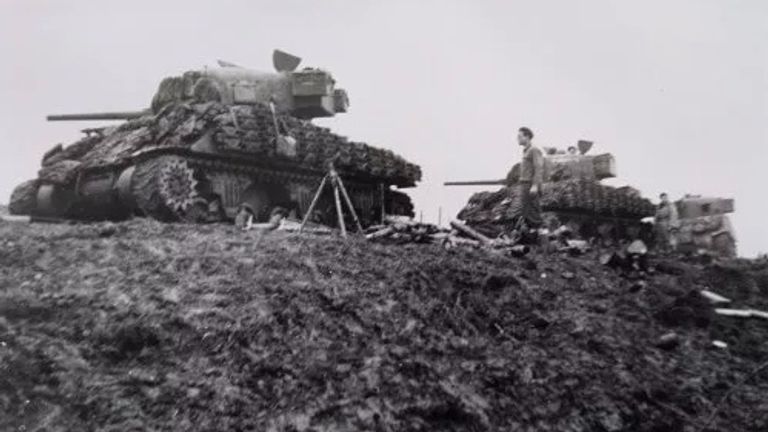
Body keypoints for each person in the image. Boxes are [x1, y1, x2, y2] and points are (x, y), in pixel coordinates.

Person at [517, 126, 544, 230]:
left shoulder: (534, 150)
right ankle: (530, 238)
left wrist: (535, 185)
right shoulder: (526, 151)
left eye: (520, 136)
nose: (517, 139)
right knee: (526, 212)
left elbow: (538, 168)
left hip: (529, 184)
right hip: (524, 184)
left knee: (534, 213)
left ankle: (541, 239)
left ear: (527, 136)